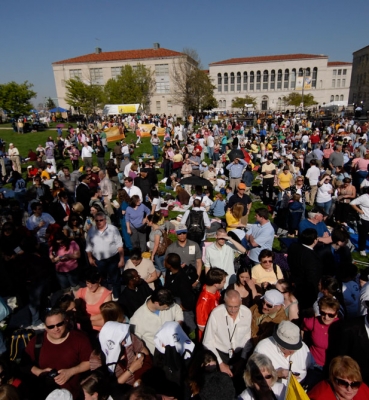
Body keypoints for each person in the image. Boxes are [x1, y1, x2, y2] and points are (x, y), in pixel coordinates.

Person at [21, 308, 92, 399]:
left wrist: (71, 371)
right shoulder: (36, 342)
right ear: (45, 327)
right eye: (51, 326)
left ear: (66, 321)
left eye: (59, 324)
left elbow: (89, 362)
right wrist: (40, 372)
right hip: (44, 394)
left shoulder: (80, 339)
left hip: (73, 395)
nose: (56, 329)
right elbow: (25, 364)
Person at [203, 290, 252, 379]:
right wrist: (220, 363)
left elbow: (247, 337)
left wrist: (242, 359)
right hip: (220, 354)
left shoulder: (247, 313)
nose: (233, 310)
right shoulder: (216, 313)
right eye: (230, 306)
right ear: (224, 302)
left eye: (236, 306)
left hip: (239, 354)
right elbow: (207, 341)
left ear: (241, 302)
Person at [254, 321, 314, 385]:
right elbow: (255, 376)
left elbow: (313, 367)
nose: (292, 351)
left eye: (295, 348)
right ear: (279, 342)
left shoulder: (303, 348)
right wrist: (276, 374)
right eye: (287, 347)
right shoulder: (263, 349)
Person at [130, 288, 183, 355]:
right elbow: (136, 343)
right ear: (157, 303)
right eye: (166, 307)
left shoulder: (167, 302)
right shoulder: (136, 320)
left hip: (175, 349)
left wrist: (179, 324)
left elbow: (177, 309)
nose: (168, 308)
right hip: (157, 356)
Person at [85, 212, 124, 300]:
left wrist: (121, 259)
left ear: (105, 220)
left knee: (115, 279)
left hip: (113, 259)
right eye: (97, 220)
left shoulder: (113, 229)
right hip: (99, 260)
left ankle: (117, 297)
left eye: (101, 220)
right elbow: (88, 247)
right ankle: (106, 297)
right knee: (102, 280)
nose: (99, 222)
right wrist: (90, 258)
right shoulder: (91, 231)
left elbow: (119, 245)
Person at [164, 253, 196, 333]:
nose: (163, 262)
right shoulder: (169, 272)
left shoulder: (182, 280)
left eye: (165, 261)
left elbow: (188, 302)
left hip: (184, 314)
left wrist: (177, 308)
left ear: (170, 265)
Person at [196, 268, 227, 340]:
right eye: (223, 282)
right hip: (210, 338)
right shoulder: (203, 303)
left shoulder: (215, 291)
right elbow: (202, 327)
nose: (225, 283)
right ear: (216, 284)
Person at [350, 187, 369, 256]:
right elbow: (352, 203)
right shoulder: (363, 197)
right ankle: (362, 249)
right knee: (363, 235)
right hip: (364, 218)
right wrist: (360, 211)